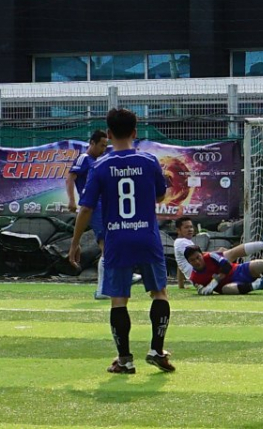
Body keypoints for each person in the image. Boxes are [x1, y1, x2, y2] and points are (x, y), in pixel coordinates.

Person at [68, 108, 174, 374]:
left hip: (116, 237)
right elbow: (160, 197)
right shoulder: (149, 162)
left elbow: (87, 209)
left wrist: (75, 242)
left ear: (110, 134)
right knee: (159, 292)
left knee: (119, 299)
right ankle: (156, 350)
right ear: (135, 132)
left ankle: (125, 360)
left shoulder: (101, 166)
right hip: (147, 236)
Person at [66, 130, 112, 299]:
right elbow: (70, 177)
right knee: (106, 245)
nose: (104, 149)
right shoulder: (84, 158)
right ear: (91, 143)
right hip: (93, 207)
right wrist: (71, 200)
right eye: (101, 145)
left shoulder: (97, 162)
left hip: (103, 206)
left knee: (111, 243)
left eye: (106, 146)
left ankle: (112, 282)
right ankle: (103, 289)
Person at [173, 216, 263, 289]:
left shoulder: (183, 242)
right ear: (178, 230)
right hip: (201, 275)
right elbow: (197, 256)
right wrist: (216, 254)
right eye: (186, 227)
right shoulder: (181, 242)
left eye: (191, 227)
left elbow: (180, 264)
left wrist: (181, 285)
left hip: (200, 276)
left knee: (225, 255)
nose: (190, 229)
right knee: (229, 253)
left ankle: (257, 275)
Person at [183, 242, 263, 295]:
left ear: (202, 254)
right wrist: (205, 290)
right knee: (227, 290)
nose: (197, 261)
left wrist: (214, 282)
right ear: (188, 262)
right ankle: (259, 285)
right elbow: (201, 290)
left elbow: (227, 266)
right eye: (192, 260)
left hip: (239, 270)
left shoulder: (211, 256)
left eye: (198, 257)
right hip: (229, 285)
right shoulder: (194, 278)